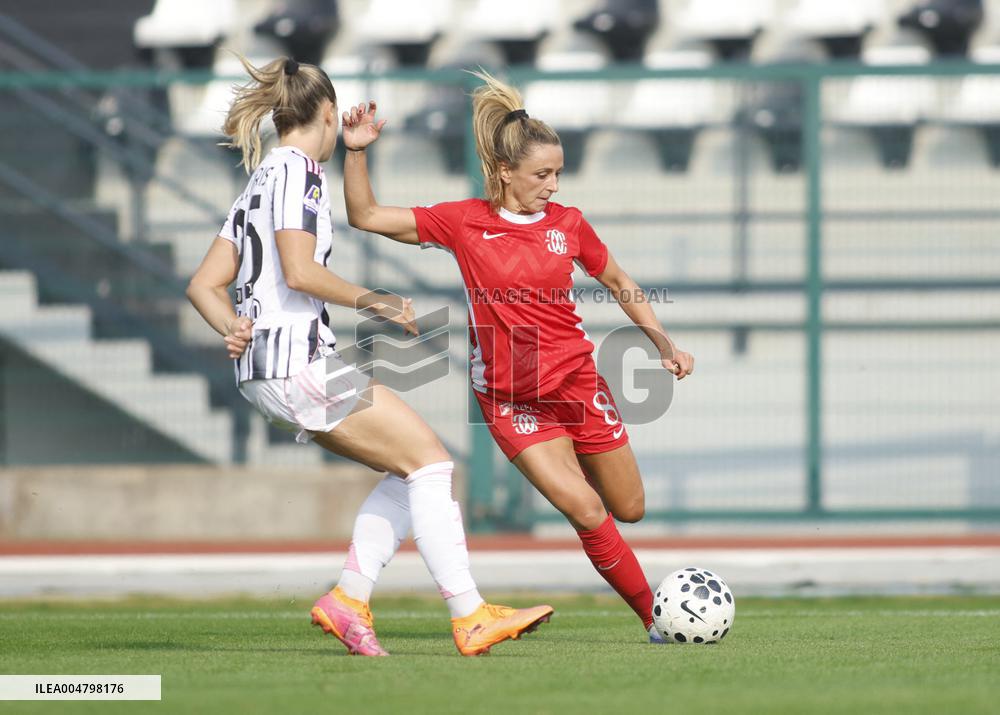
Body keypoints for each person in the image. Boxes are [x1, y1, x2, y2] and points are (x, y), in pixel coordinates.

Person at [185, 57, 552, 657]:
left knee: (412, 470)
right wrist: (374, 300)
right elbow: (300, 271)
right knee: (431, 464)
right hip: (297, 362)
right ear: (328, 114)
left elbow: (203, 284)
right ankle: (469, 614)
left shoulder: (260, 179)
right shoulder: (300, 174)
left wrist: (233, 326)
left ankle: (349, 599)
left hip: (266, 370)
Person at [340, 71, 695, 643]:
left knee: (628, 509)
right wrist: (356, 152)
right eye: (541, 174)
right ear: (505, 171)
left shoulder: (568, 225)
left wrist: (661, 340)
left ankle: (585, 475)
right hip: (511, 402)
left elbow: (619, 280)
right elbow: (366, 216)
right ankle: (657, 621)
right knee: (586, 511)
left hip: (577, 386)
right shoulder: (464, 222)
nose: (553, 185)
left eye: (558, 173)